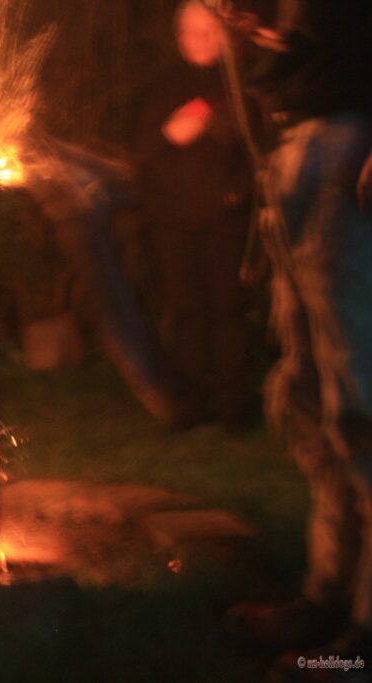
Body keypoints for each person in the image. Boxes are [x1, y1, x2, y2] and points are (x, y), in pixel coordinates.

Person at [218, 0, 372, 676]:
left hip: (352, 146)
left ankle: (364, 640)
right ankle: (327, 597)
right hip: (298, 143)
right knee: (310, 397)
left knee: (360, 397)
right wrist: (262, 24)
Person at [132, 0, 256, 427]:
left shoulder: (239, 84)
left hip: (224, 221)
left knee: (227, 311)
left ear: (224, 35)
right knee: (186, 313)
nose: (200, 40)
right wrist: (170, 132)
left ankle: (234, 405)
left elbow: (255, 150)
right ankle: (192, 402)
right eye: (192, 32)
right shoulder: (162, 86)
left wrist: (236, 192)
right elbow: (141, 150)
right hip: (172, 220)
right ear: (179, 36)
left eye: (209, 31)